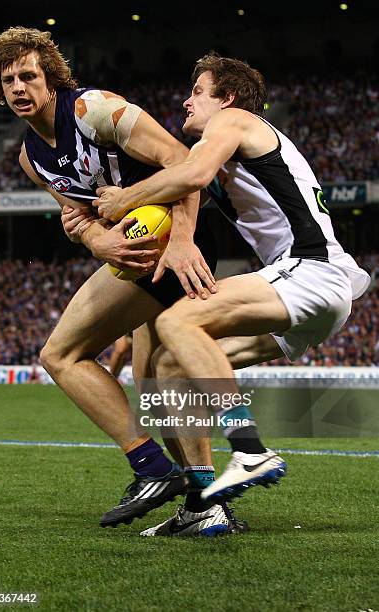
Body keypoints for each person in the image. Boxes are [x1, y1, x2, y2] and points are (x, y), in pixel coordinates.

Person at [0, 29, 245, 536]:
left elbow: (185, 166)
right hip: (134, 250)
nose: (17, 86)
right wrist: (96, 241)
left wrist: (183, 241)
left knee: (60, 354)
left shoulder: (96, 111)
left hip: (174, 243)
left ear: (52, 78)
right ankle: (206, 502)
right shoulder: (28, 157)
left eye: (29, 75)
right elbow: (79, 218)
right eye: (7, 78)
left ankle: (150, 469)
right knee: (154, 391)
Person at [93, 52, 370, 510]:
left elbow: (191, 176)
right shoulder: (222, 148)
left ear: (229, 98)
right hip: (312, 291)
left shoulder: (235, 120)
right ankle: (203, 502)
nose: (186, 101)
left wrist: (125, 197)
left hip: (310, 269)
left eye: (198, 92)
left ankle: (249, 449)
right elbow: (184, 184)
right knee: (171, 369)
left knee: (177, 324)